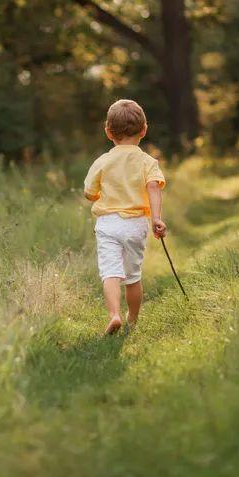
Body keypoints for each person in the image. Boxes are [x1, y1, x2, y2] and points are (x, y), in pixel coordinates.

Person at [83, 99, 167, 336]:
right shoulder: (147, 162)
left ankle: (114, 315)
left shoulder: (102, 161)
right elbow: (153, 188)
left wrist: (100, 193)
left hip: (108, 223)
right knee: (132, 277)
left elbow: (89, 193)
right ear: (144, 130)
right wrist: (156, 219)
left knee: (110, 273)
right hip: (135, 224)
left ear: (108, 132)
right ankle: (133, 318)